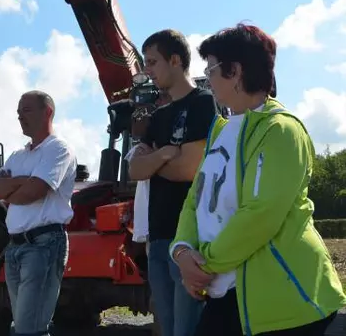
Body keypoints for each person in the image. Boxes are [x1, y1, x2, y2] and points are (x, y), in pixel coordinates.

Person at [170, 24, 346, 336]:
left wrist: (203, 267)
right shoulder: (220, 131)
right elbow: (194, 201)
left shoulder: (281, 129)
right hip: (225, 293)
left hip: (283, 303)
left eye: (210, 69)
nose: (206, 78)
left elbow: (260, 214)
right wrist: (182, 253)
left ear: (235, 72)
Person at [127, 30, 217, 336]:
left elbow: (190, 169)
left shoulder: (204, 103)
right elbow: (135, 170)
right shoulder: (159, 116)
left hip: (190, 238)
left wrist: (154, 160)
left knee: (187, 329)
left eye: (152, 62)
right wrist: (166, 154)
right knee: (166, 328)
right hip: (158, 238)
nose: (147, 70)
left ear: (175, 60)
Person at [0, 90, 77, 336]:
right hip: (16, 247)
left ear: (48, 112)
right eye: (18, 113)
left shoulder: (58, 149)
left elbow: (33, 192)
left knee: (29, 328)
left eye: (26, 110)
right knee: (24, 325)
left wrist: (13, 189)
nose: (20, 118)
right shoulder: (18, 155)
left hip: (43, 244)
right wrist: (22, 182)